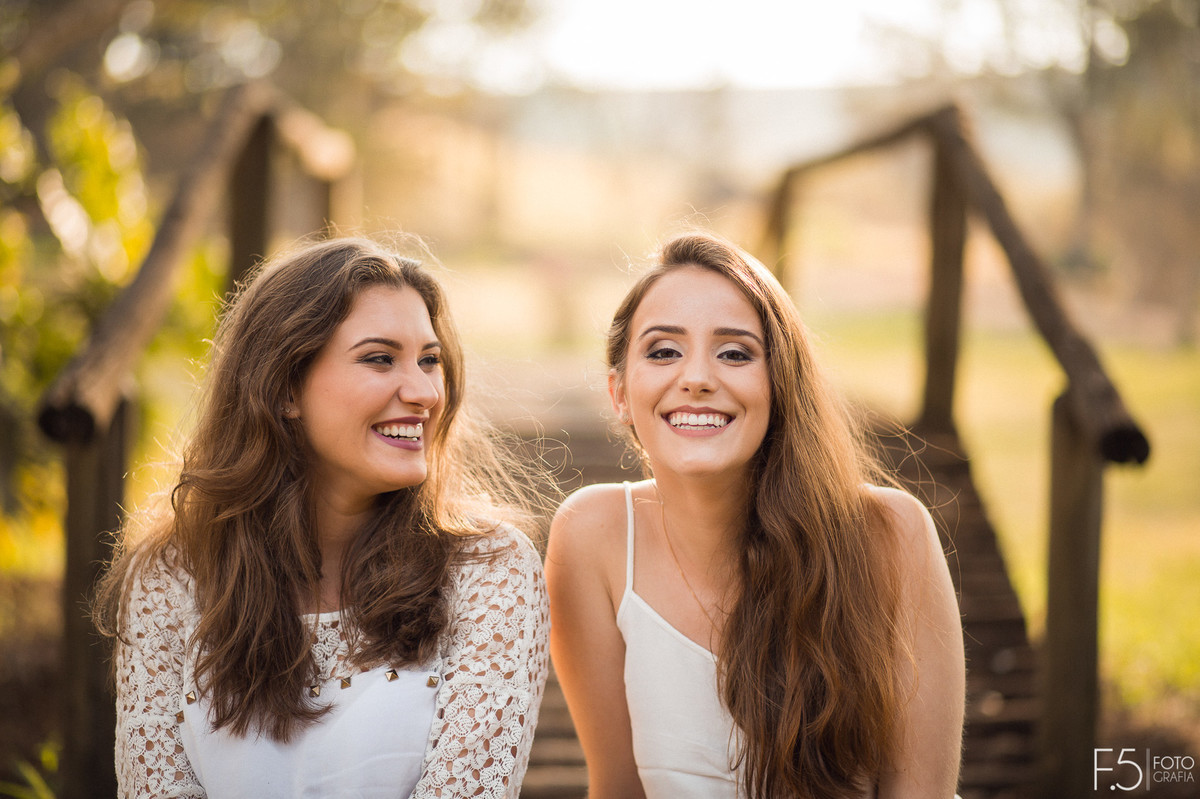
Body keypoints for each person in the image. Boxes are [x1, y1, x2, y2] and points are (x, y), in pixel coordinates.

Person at [95, 236, 551, 798]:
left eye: (430, 360)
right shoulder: (170, 575)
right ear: (286, 387)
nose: (425, 391)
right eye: (380, 359)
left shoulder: (489, 572)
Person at [546, 231, 965, 798]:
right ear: (620, 393)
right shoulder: (591, 534)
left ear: (780, 382)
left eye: (735, 352)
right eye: (664, 351)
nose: (696, 377)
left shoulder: (890, 535)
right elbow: (617, 789)